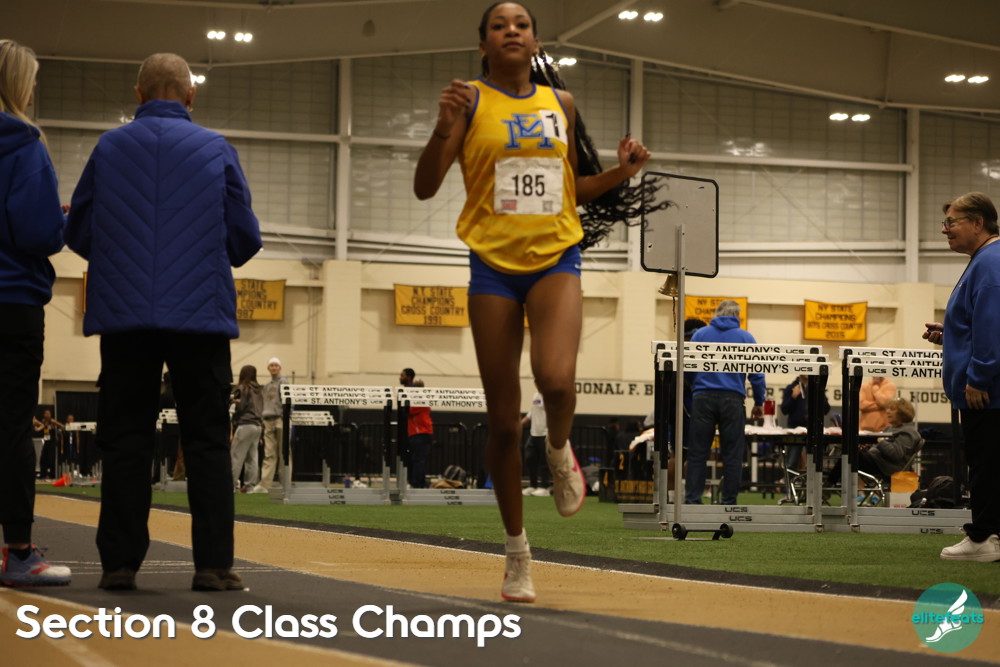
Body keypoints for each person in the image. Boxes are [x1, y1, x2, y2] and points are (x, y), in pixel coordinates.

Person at [412, 2, 665, 603]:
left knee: (555, 380)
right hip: (492, 267)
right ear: (483, 44)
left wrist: (623, 172)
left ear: (535, 40)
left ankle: (556, 450)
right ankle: (517, 554)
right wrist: (443, 126)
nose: (511, 31)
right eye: (499, 26)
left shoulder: (561, 104)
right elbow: (425, 187)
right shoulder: (469, 102)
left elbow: (572, 188)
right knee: (503, 421)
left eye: (521, 25)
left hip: (556, 257)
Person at [65, 52, 262, 591]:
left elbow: (78, 230)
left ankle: (119, 565)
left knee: (125, 439)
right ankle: (213, 565)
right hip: (200, 317)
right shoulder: (216, 149)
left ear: (138, 94)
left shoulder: (109, 147)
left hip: (125, 317)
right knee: (206, 441)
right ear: (190, 95)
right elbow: (245, 240)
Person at [0, 39, 72, 587]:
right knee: (10, 429)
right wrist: (60, 219)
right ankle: (20, 551)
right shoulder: (23, 144)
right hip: (12, 302)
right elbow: (39, 233)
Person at [924, 191, 1000, 562]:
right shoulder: (984, 260)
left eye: (951, 222)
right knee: (989, 462)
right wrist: (951, 334)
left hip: (988, 391)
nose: (945, 229)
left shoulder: (990, 263)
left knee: (986, 464)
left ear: (977, 223)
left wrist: (979, 378)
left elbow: (992, 326)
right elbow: (977, 324)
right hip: (987, 386)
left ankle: (983, 537)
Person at [685, 300, 766, 505]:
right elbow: (757, 374)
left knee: (698, 453)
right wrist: (759, 402)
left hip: (703, 398)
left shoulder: (700, 335)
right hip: (732, 399)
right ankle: (728, 502)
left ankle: (693, 500)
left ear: (716, 314)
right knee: (732, 455)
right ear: (737, 315)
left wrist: (697, 387)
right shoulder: (746, 338)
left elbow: (687, 368)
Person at [828, 397, 921, 482]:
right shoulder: (890, 428)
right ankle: (833, 484)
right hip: (877, 462)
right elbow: (880, 445)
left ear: (903, 412)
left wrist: (880, 441)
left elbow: (896, 454)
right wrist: (869, 446)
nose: (887, 411)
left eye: (892, 409)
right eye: (887, 409)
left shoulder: (908, 432)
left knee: (850, 456)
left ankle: (829, 484)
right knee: (850, 453)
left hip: (887, 468)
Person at [780, 374, 831, 471]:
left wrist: (819, 394)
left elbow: (826, 409)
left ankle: (813, 479)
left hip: (813, 428)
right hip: (796, 428)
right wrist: (793, 396)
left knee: (815, 462)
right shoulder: (792, 388)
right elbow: (784, 410)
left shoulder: (816, 387)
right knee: (791, 461)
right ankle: (790, 479)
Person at [252, 357, 286, 493]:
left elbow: (288, 401)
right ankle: (265, 484)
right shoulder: (266, 386)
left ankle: (285, 483)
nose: (273, 367)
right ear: (268, 368)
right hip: (267, 419)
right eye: (271, 365)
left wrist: (285, 417)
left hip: (281, 419)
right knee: (269, 453)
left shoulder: (284, 382)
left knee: (284, 452)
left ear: (280, 367)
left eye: (276, 365)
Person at [230, 365, 263, 493]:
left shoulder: (241, 388)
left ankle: (231, 485)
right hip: (258, 426)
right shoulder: (259, 390)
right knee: (252, 457)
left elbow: (239, 407)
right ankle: (250, 486)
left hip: (245, 424)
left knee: (236, 456)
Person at [399, 368, 433, 489]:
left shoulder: (419, 397)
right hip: (415, 432)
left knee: (418, 460)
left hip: (421, 432)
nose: (400, 378)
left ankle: (417, 484)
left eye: (402, 375)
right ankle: (418, 483)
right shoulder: (411, 394)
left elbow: (409, 410)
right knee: (415, 459)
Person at [520, 392, 549, 496]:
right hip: (534, 434)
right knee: (530, 458)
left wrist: (550, 433)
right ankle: (533, 486)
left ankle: (545, 488)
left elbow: (554, 414)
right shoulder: (536, 395)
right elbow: (532, 412)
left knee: (544, 462)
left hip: (545, 434)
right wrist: (520, 423)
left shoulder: (549, 395)